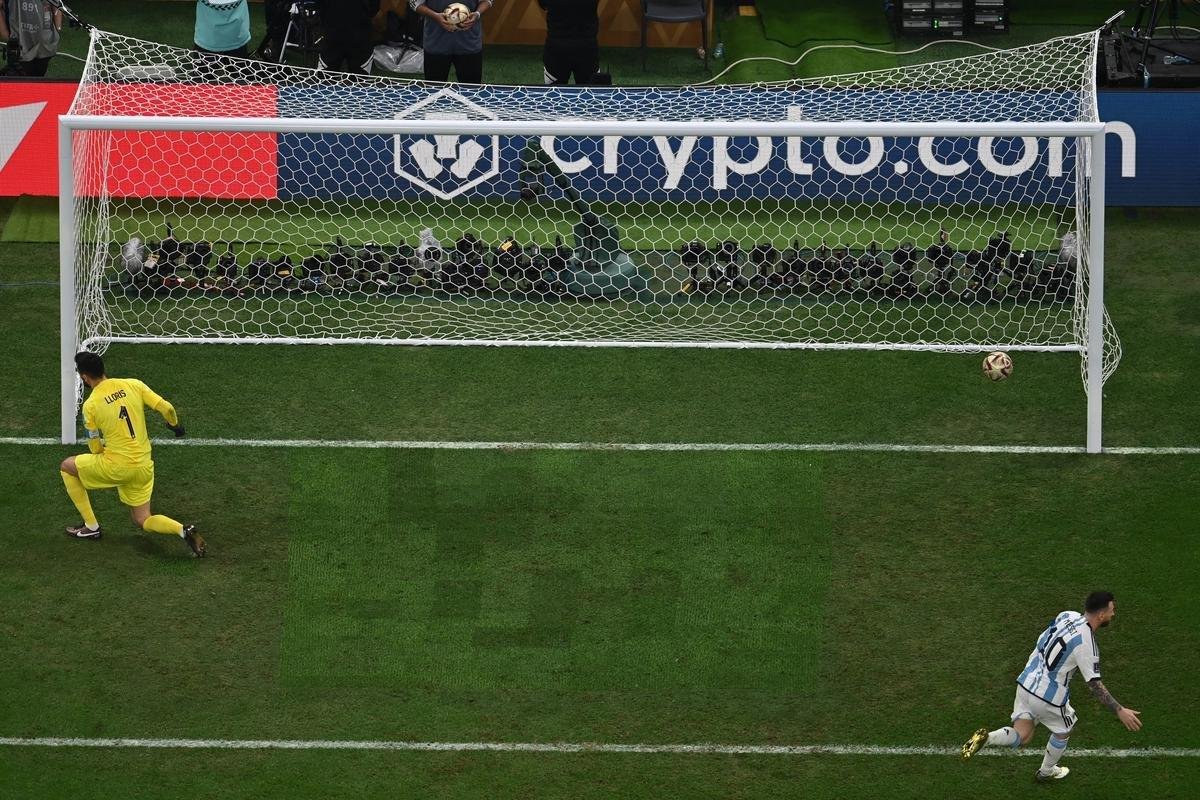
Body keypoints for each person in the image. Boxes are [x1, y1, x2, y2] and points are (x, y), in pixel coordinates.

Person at [961, 591, 1141, 781]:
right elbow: (1094, 685)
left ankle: (987, 738)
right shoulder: (1087, 643)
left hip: (1026, 682)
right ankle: (1046, 771)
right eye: (1112, 610)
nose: (1114, 614)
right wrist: (1120, 710)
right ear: (1101, 615)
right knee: (1065, 730)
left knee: (1023, 735)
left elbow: (1042, 641)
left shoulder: (1067, 615)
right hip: (1049, 696)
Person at [60, 352, 206, 558]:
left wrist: (107, 461)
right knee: (143, 519)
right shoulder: (133, 384)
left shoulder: (91, 405)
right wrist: (175, 426)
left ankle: (91, 527)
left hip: (117, 466)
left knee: (67, 466)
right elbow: (167, 408)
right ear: (103, 369)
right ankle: (182, 530)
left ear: (84, 377)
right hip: (144, 467)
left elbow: (94, 449)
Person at [409, 0, 493, 83]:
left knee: (471, 89)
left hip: (469, 43)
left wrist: (477, 14)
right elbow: (414, 3)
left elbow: (488, 1)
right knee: (434, 89)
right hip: (436, 43)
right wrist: (435, 16)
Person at [538, 0, 598, 85]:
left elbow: (543, 5)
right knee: (589, 95)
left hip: (557, 47)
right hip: (586, 47)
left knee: (554, 95)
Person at [0, 0, 61, 77]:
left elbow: (57, 6)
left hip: (45, 43)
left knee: (39, 76)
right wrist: (6, 35)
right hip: (20, 44)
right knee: (20, 78)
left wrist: (57, 30)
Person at [317, 0, 380, 74]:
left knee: (359, 79)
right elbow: (374, 7)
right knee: (326, 78)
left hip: (344, 31)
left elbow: (321, 6)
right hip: (355, 32)